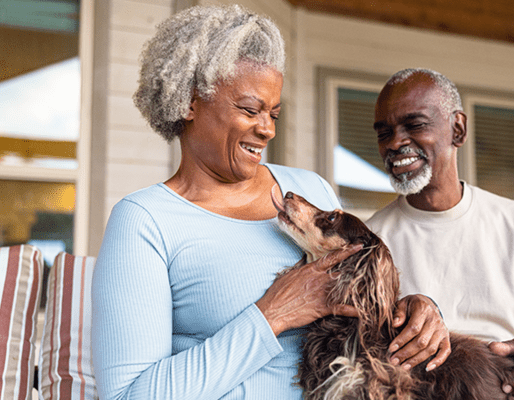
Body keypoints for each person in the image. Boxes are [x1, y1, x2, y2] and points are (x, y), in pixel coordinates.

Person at [91, 6, 448, 400]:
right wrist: (273, 314)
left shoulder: (308, 190)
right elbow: (127, 395)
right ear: (190, 102)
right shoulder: (145, 221)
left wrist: (416, 310)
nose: (266, 129)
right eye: (249, 109)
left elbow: (361, 314)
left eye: (274, 113)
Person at [366, 68, 514, 399]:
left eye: (414, 125)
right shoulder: (370, 243)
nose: (395, 142)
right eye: (383, 132)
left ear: (458, 129)